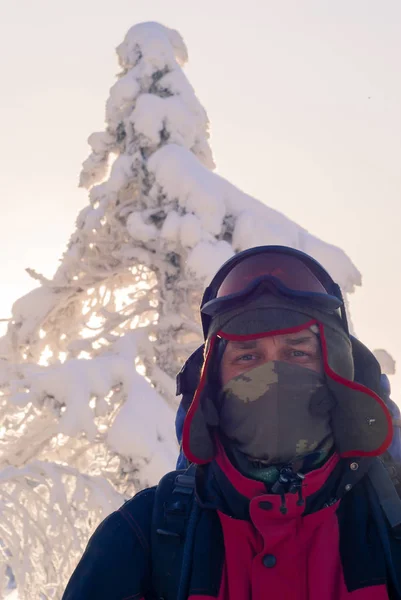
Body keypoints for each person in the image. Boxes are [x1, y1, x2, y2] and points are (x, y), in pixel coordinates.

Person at [62, 245, 401, 600]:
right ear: (213, 383)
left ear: (339, 371)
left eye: (297, 353)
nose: (272, 375)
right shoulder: (142, 536)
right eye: (248, 356)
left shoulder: (390, 517)